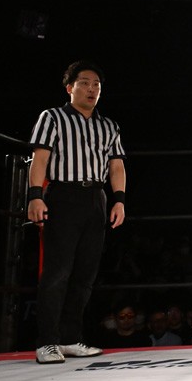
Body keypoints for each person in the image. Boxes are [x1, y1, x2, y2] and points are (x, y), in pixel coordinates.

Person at [27, 60, 127, 364]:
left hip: (96, 197)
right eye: (85, 83)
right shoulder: (52, 118)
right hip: (64, 195)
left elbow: (116, 166)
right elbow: (40, 159)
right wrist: (35, 197)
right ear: (70, 87)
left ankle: (70, 339)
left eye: (97, 85)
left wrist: (119, 200)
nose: (92, 89)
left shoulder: (108, 125)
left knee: (85, 274)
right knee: (57, 271)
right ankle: (47, 342)